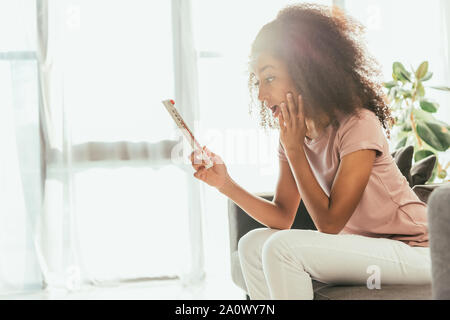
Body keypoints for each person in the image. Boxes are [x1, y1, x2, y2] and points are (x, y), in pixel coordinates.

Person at [189, 3, 431, 300]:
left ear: (306, 71)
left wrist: (294, 152)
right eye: (257, 82)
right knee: (252, 244)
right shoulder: (294, 136)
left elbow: (330, 224)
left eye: (269, 78)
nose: (262, 95)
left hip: (418, 251)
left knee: (282, 248)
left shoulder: (359, 124)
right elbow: (282, 217)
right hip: (368, 247)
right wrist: (224, 183)